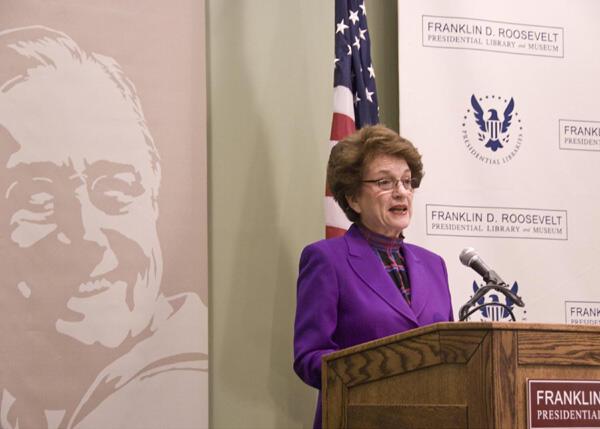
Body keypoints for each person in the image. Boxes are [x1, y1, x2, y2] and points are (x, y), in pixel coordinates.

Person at [0, 26, 207, 429]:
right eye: (39, 198)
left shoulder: (192, 381)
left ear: (154, 195)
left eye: (115, 189)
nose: (86, 235)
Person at [293, 124, 453, 429]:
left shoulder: (435, 266)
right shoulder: (327, 260)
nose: (401, 192)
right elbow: (309, 357)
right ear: (353, 198)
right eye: (385, 182)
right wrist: (378, 371)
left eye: (407, 182)